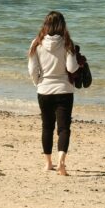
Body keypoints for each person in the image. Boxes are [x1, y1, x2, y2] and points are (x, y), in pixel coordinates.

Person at [27, 10, 79, 174]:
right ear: (62, 25)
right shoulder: (67, 43)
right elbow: (71, 68)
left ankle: (48, 163)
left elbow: (32, 69)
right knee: (64, 128)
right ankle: (61, 162)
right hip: (64, 91)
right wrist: (80, 64)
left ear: (46, 25)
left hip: (44, 91)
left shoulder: (37, 43)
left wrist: (38, 83)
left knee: (47, 127)